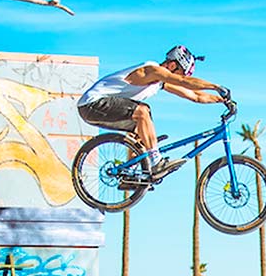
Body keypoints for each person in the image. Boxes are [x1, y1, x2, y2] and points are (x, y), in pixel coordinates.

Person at [77, 45, 227, 180]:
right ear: (173, 65)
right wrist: (215, 86)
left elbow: (195, 96)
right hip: (92, 104)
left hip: (100, 109)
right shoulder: (151, 70)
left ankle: (130, 174)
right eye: (181, 73)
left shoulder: (160, 82)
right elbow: (182, 81)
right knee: (142, 111)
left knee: (143, 127)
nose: (182, 77)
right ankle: (156, 162)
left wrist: (222, 100)